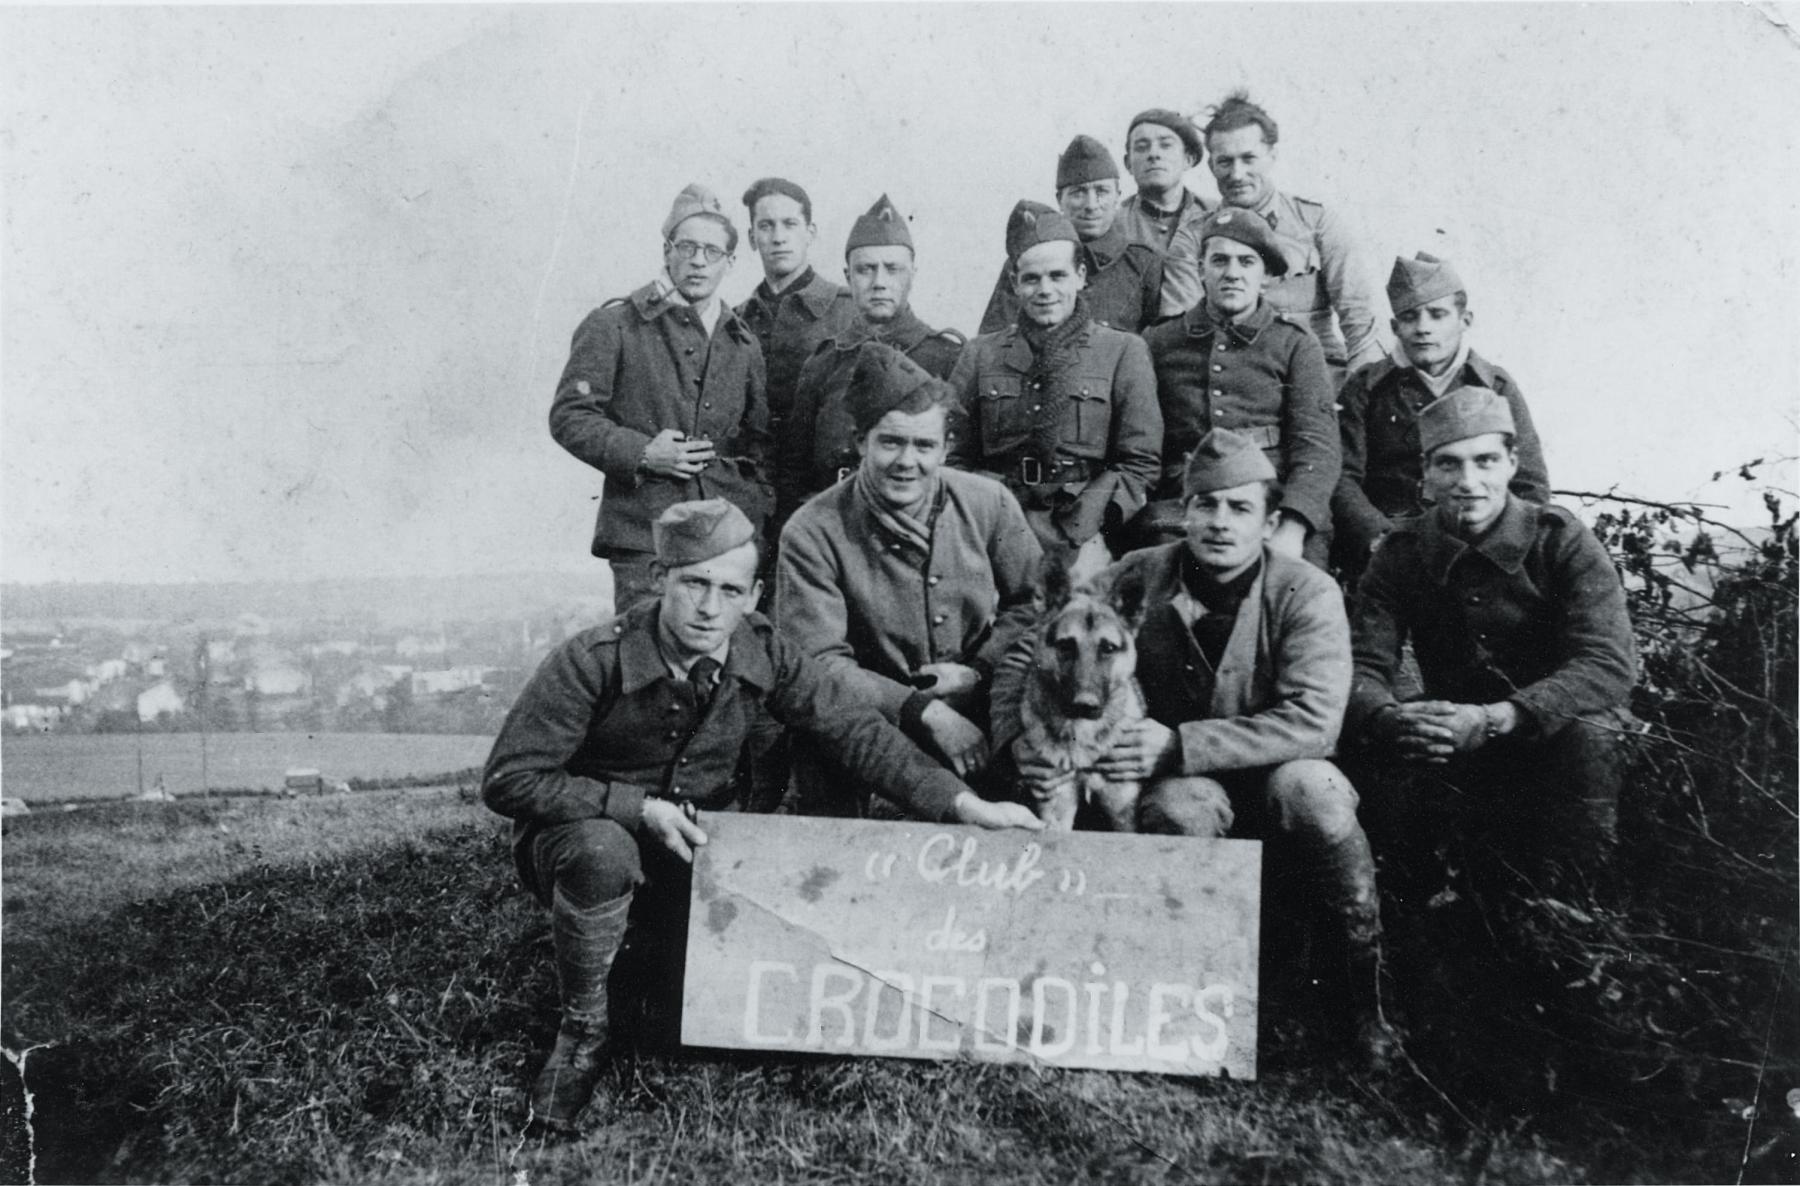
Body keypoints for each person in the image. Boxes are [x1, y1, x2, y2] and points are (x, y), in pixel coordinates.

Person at [483, 498, 1042, 1135]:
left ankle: (644, 964)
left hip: (697, 849)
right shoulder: (591, 660)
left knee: (685, 1020)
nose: (708, 607)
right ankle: (582, 1029)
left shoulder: (764, 650)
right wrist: (636, 808)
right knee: (601, 851)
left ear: (753, 596)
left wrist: (965, 805)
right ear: (659, 580)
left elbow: (855, 730)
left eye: (729, 589)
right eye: (693, 583)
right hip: (586, 841)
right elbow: (511, 779)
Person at [993, 428, 1394, 1067]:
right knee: (1181, 813)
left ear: (1269, 520)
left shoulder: (1306, 591)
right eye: (1206, 504)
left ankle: (1360, 1000)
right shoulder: (1139, 573)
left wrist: (1180, 743)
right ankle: (1182, 999)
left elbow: (1316, 720)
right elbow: (1034, 645)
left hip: (1273, 773)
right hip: (1185, 787)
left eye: (1240, 508)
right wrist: (1020, 738)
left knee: (1316, 792)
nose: (1220, 523)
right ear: (1186, 511)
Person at [1344, 387, 1637, 898]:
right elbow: (1363, 666)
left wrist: (1500, 717)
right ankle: (1405, 920)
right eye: (1448, 465)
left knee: (1590, 737)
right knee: (1375, 749)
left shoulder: (1560, 539)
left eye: (1485, 461)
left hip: (1551, 728)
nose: (1468, 483)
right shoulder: (1400, 552)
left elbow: (1607, 661)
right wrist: (1391, 719)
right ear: (1426, 474)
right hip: (1454, 734)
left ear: (1512, 463)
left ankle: (1573, 916)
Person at [777, 343, 1042, 815]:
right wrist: (922, 710)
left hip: (983, 700)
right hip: (871, 719)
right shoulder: (812, 530)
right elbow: (818, 664)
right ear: (860, 441)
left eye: (924, 446)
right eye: (890, 442)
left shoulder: (989, 503)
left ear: (946, 447)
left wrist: (979, 669)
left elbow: (1036, 603)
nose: (907, 461)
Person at [550, 183, 771, 614]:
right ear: (666, 250)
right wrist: (644, 453)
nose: (698, 261)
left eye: (712, 251)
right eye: (686, 246)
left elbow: (758, 443)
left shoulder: (742, 343)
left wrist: (753, 517)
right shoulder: (615, 325)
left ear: (730, 262)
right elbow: (570, 415)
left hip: (725, 542)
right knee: (649, 665)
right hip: (644, 541)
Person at [947, 201, 1162, 564]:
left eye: (1057, 276)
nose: (1045, 290)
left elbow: (1140, 463)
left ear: (1080, 276)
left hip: (1085, 528)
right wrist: (989, 519)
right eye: (1031, 279)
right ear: (1014, 283)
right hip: (996, 527)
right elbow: (952, 457)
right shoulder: (980, 354)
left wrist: (1094, 535)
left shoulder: (1122, 351)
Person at [1135, 207, 1339, 568]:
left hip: (1272, 502)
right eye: (1219, 261)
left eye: (1246, 262)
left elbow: (1317, 451)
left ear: (1266, 275)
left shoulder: (1295, 344)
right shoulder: (1160, 341)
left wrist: (1292, 526)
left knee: (1298, 591)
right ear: (1200, 270)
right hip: (1185, 506)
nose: (1232, 273)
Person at [1332, 252, 1551, 579]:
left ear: (1465, 321)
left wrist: (1496, 546)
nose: (1423, 328)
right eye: (1409, 317)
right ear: (1394, 326)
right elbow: (1343, 477)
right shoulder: (1365, 388)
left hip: (1476, 548)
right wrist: (1380, 539)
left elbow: (1529, 485)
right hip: (1387, 550)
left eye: (1437, 315)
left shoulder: (1496, 387)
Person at [1161, 91, 1384, 386]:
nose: (1237, 174)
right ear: (1211, 166)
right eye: (1225, 162)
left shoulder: (1317, 223)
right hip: (1235, 383)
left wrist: (1359, 398)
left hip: (1320, 378)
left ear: (1272, 157)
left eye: (1249, 159)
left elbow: (1361, 323)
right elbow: (1181, 334)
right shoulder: (1192, 237)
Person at [780, 194, 964, 522]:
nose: (879, 282)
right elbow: (794, 468)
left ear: (912, 274)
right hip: (834, 524)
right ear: (848, 276)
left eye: (892, 269)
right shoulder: (824, 362)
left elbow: (963, 463)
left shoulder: (947, 358)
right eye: (866, 270)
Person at [977, 135, 1166, 335]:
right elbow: (994, 343)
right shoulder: (1029, 260)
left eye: (1102, 191)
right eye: (1078, 193)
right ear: (1060, 199)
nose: (1091, 205)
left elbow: (1156, 344)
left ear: (1117, 197)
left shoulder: (1143, 263)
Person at [734, 177, 857, 460]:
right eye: (766, 226)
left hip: (822, 477)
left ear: (810, 233)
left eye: (790, 224)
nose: (778, 237)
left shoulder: (848, 311)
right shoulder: (736, 320)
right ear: (752, 238)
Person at [1114, 108, 1215, 255]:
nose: (1154, 154)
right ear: (1128, 163)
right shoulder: (1114, 223)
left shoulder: (1213, 214)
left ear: (1188, 159)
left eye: (1166, 145)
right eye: (1142, 147)